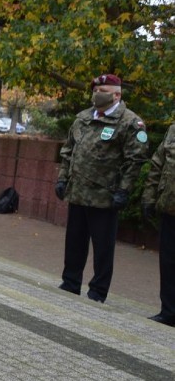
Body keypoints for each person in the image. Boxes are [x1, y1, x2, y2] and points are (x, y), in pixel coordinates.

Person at [55, 73, 148, 303]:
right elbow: (69, 151)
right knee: (74, 241)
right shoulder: (83, 117)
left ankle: (97, 291)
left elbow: (135, 160)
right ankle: (70, 282)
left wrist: (123, 190)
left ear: (117, 95)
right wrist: (62, 178)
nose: (97, 95)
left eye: (103, 91)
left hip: (105, 195)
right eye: (95, 91)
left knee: (103, 247)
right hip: (78, 191)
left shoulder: (129, 122)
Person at [141, 124, 175, 326]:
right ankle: (168, 311)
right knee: (168, 262)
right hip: (169, 208)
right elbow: (157, 165)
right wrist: (149, 197)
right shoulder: (173, 130)